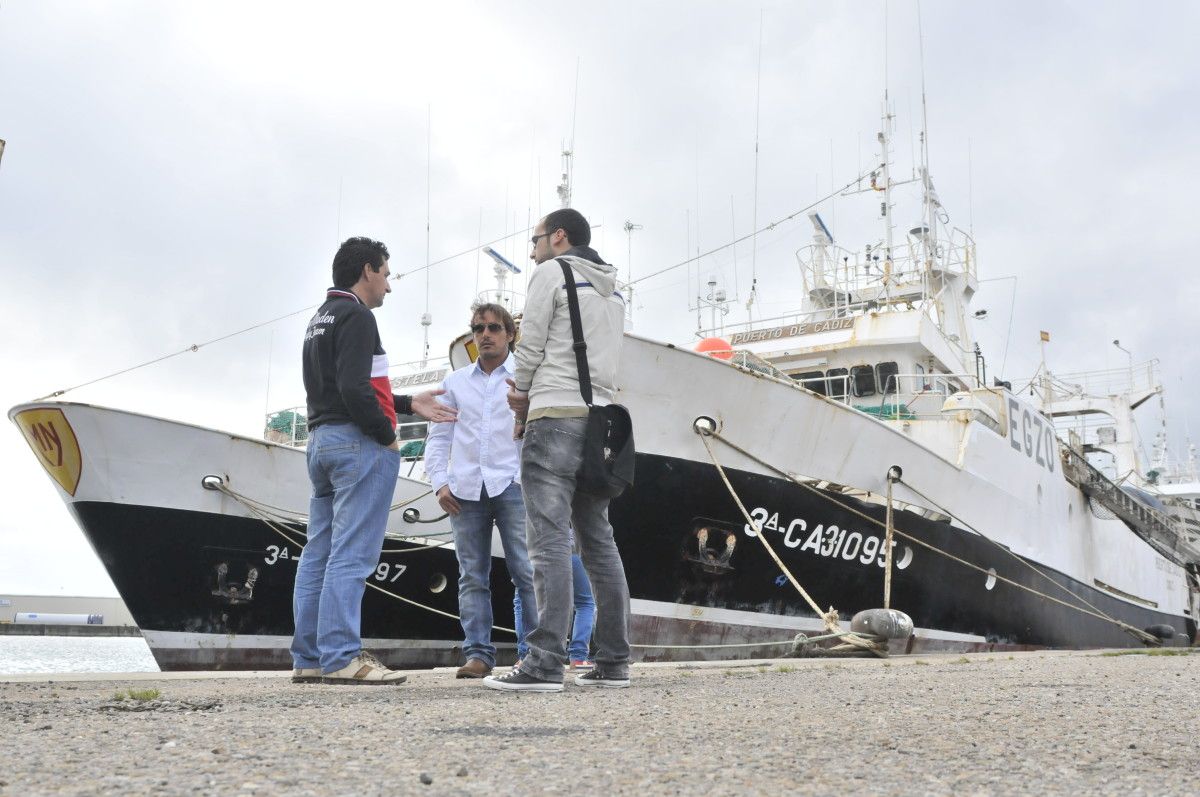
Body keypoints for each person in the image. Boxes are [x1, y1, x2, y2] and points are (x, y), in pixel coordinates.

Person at [292, 236, 457, 685]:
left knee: (318, 553)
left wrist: (406, 404)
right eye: (386, 273)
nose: (388, 285)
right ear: (367, 270)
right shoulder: (358, 316)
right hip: (357, 445)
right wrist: (387, 438)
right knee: (352, 554)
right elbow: (354, 388)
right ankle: (342, 657)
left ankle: (308, 658)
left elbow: (341, 386)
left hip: (321, 441)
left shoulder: (319, 318)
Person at [483, 207, 631, 692]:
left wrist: (519, 394)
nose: (532, 250)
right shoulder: (613, 291)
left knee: (547, 541)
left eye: (536, 239)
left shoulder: (553, 272)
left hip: (555, 415)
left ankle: (544, 663)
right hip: (601, 421)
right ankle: (612, 662)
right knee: (599, 542)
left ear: (559, 237)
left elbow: (532, 346)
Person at [423, 302, 538, 679]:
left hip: (512, 484)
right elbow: (439, 436)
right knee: (472, 574)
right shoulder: (455, 382)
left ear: (509, 334)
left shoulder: (526, 376)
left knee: (525, 570)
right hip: (465, 488)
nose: (484, 334)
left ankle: (533, 654)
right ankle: (477, 654)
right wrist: (439, 483)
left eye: (492, 327)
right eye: (478, 328)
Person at [514, 551, 595, 668]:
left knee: (523, 599)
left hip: (533, 550)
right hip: (571, 549)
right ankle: (578, 658)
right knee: (585, 603)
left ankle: (525, 657)